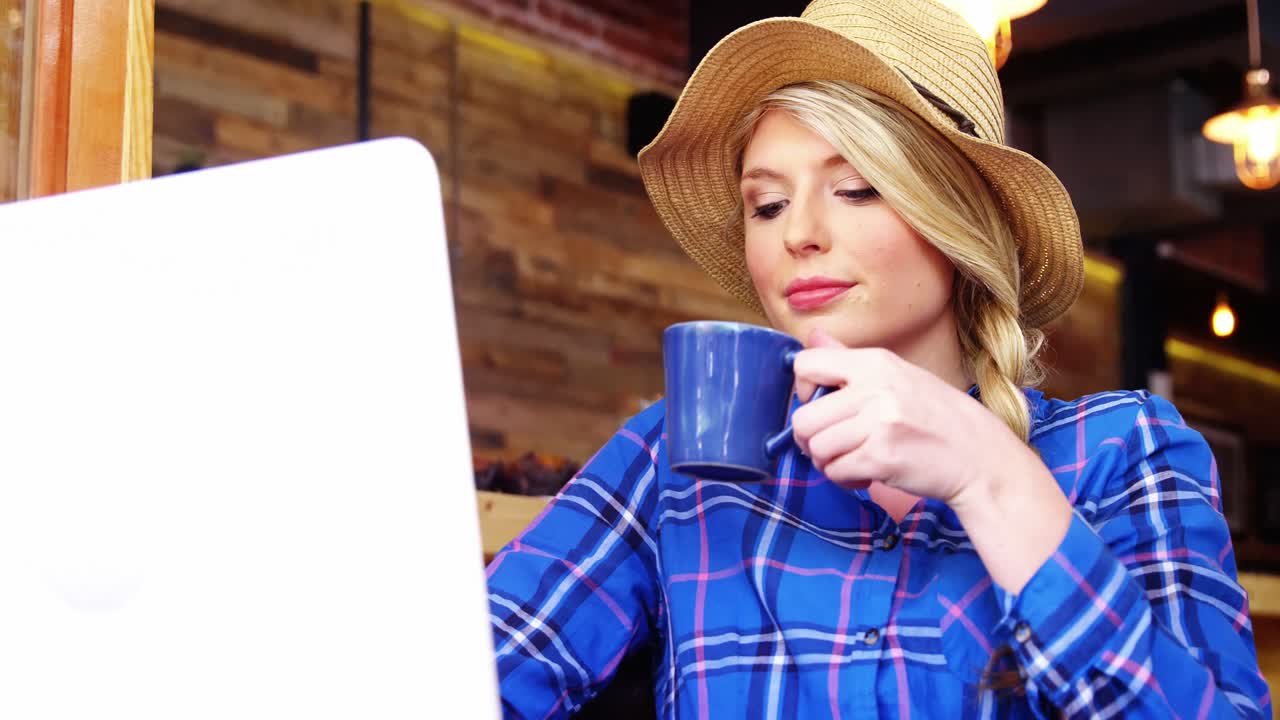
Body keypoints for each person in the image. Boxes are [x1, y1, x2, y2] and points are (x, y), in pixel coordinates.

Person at [484, 0, 1272, 717]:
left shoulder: (1119, 455)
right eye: (767, 203)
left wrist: (991, 480)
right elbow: (467, 674)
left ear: (959, 221)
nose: (798, 234)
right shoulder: (675, 459)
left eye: (856, 188)